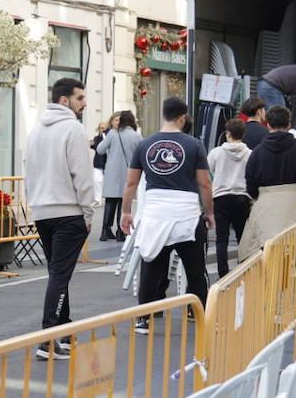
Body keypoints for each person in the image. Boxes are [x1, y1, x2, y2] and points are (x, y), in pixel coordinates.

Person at [120, 97, 212, 328]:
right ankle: (198, 315)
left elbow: (131, 183)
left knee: (151, 269)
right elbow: (204, 183)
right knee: (196, 271)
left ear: (164, 115)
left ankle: (144, 319)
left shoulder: (145, 144)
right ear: (183, 118)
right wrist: (209, 212)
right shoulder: (194, 145)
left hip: (155, 214)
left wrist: (125, 211)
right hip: (187, 216)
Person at [25, 78, 98, 361]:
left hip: (43, 212)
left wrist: (34, 204)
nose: (85, 103)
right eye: (80, 98)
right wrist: (88, 211)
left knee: (58, 272)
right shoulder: (74, 129)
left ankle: (63, 332)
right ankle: (49, 336)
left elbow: (29, 173)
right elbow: (82, 174)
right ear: (65, 101)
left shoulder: (35, 132)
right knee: (60, 274)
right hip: (69, 212)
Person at [239, 105, 296, 256]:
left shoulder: (257, 152)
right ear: (289, 125)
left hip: (265, 208)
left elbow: (250, 184)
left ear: (268, 125)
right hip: (294, 206)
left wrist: (259, 198)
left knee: (262, 253)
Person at [207, 118, 252, 278]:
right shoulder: (249, 154)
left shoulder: (216, 153)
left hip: (221, 198)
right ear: (243, 134)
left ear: (228, 134)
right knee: (242, 238)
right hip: (242, 198)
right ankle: (243, 270)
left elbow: (208, 171)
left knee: (222, 239)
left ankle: (223, 273)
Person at [96, 111, 141, 240]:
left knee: (110, 201)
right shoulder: (136, 136)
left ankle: (105, 231)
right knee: (124, 202)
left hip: (111, 173)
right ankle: (121, 232)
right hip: (129, 172)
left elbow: (100, 149)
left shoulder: (112, 134)